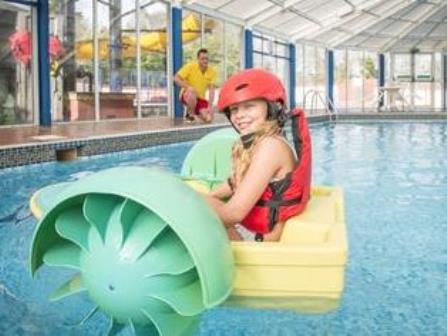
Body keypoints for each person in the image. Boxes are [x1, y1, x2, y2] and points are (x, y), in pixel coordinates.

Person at [203, 69, 312, 242]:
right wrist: (210, 196)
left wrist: (191, 202)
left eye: (249, 106)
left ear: (271, 108)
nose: (239, 116)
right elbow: (236, 182)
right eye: (234, 109)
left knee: (191, 204)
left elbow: (234, 213)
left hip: (257, 242)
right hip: (251, 230)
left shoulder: (271, 146)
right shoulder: (266, 140)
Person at [174, 48, 216, 123]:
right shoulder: (190, 66)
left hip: (200, 98)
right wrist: (188, 87)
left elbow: (211, 90)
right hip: (187, 95)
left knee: (209, 119)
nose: (205, 61)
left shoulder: (211, 71)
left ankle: (197, 116)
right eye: (202, 58)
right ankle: (190, 115)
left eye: (206, 58)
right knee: (192, 91)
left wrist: (210, 106)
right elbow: (176, 78)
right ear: (198, 59)